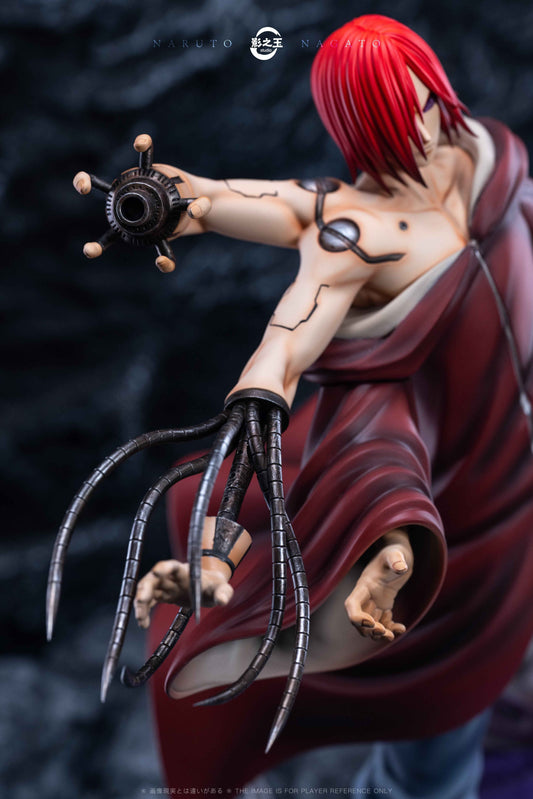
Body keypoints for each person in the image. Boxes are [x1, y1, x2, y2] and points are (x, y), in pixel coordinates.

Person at [74, 14, 533, 797]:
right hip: (453, 496)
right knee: (438, 722)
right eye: (397, 114)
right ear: (359, 124)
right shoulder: (353, 228)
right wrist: (176, 202)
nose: (425, 128)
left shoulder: (488, 156)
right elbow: (275, 243)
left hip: (513, 465)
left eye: (427, 101)